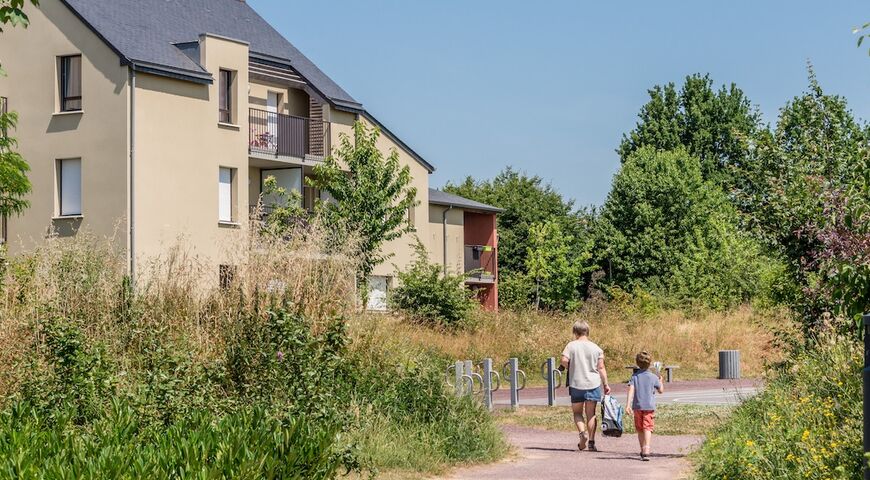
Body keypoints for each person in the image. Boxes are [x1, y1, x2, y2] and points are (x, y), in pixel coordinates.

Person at [560, 320, 611, 452]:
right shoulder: (596, 348)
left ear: (575, 332)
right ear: (587, 332)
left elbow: (564, 360)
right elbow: (601, 367)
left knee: (577, 412)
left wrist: (571, 367)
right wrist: (605, 384)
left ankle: (582, 433)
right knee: (591, 414)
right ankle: (592, 442)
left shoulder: (571, 346)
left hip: (576, 383)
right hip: (593, 384)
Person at [625, 351, 664, 461]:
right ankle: (647, 448)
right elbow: (661, 390)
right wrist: (661, 381)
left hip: (637, 406)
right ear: (650, 363)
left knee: (640, 429)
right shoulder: (653, 377)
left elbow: (631, 390)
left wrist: (628, 405)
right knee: (648, 427)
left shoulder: (635, 376)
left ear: (637, 363)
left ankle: (642, 449)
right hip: (649, 407)